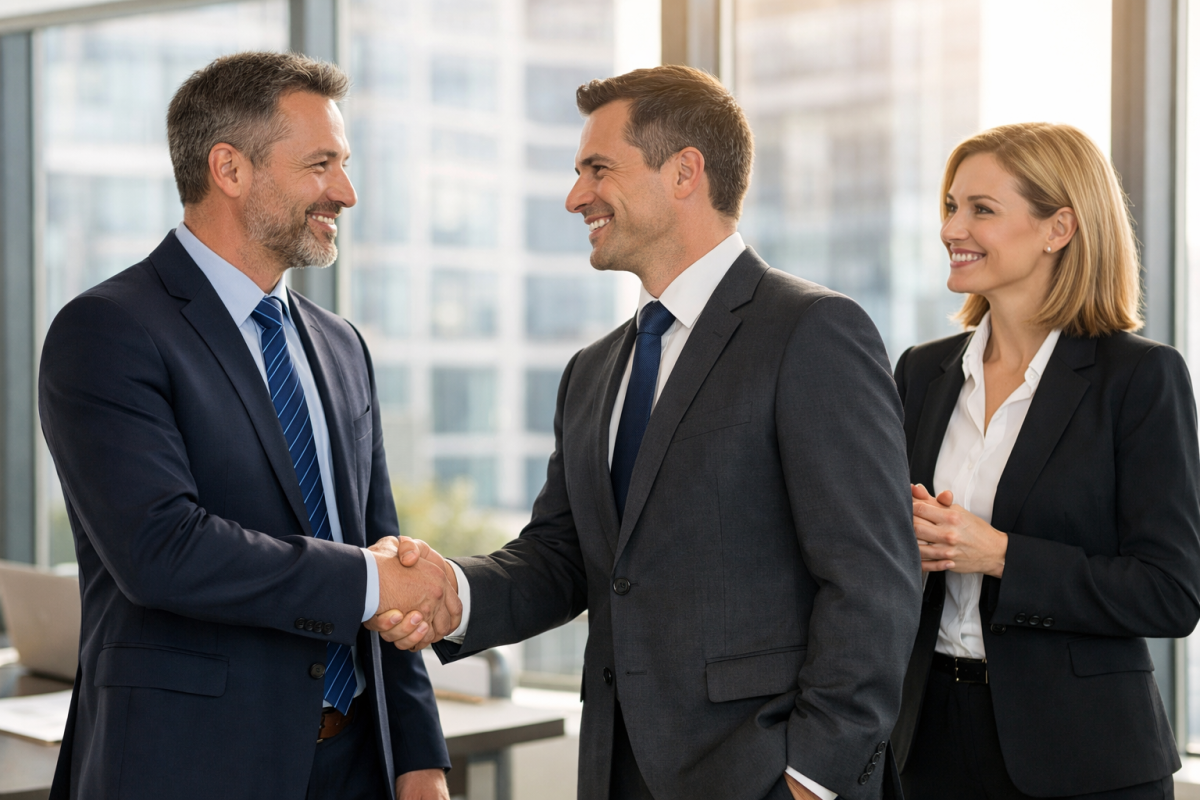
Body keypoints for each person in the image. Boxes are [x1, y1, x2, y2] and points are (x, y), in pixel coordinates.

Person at [380, 65, 922, 800]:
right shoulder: (592, 371)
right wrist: (456, 590)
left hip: (764, 777)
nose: (576, 197)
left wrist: (811, 778)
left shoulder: (812, 332)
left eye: (598, 169)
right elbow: (563, 556)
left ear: (685, 172)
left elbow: (873, 583)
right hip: (616, 769)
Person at [39, 52, 461, 800]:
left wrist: (418, 760)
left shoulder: (340, 344)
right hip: (190, 769)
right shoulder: (108, 331)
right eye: (320, 164)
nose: (347, 191)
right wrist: (369, 578)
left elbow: (382, 548)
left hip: (357, 766)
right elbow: (162, 548)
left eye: (345, 164)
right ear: (228, 170)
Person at [891, 122, 1200, 799]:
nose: (952, 228)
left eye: (981, 209)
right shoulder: (922, 373)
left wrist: (1000, 554)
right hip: (928, 742)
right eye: (950, 205)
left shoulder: (1139, 379)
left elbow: (1171, 593)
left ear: (1058, 227)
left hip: (1085, 758)